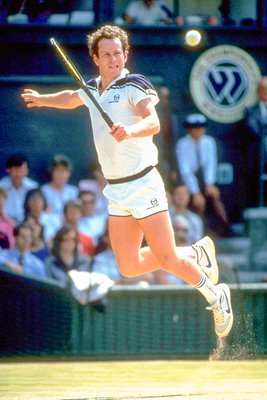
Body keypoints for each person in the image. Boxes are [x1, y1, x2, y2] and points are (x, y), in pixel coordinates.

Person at [21, 24, 233, 338]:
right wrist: (42, 99)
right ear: (95, 58)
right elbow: (70, 97)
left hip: (144, 183)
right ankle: (197, 252)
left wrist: (129, 130)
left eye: (117, 53)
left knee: (165, 257)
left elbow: (153, 121)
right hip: (117, 189)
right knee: (129, 265)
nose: (113, 59)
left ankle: (216, 296)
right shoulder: (92, 88)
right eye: (105, 54)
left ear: (125, 54)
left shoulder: (134, 84)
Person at [176, 114, 231, 237]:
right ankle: (201, 231)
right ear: (189, 129)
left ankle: (226, 227)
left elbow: (210, 164)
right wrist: (195, 192)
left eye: (200, 127)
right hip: (189, 181)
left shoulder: (208, 142)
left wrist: (209, 183)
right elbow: (185, 170)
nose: (197, 130)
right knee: (199, 203)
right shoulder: (182, 144)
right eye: (194, 128)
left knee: (215, 196)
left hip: (206, 179)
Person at [242, 76, 267, 206]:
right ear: (258, 91)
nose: (265, 92)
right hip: (259, 157)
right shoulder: (250, 111)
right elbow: (254, 130)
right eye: (263, 89)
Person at [0, 153, 39, 224]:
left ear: (27, 171)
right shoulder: (1, 186)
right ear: (8, 170)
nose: (18, 174)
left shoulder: (33, 187)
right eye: (15, 170)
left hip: (27, 224)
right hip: (4, 223)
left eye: (21, 170)